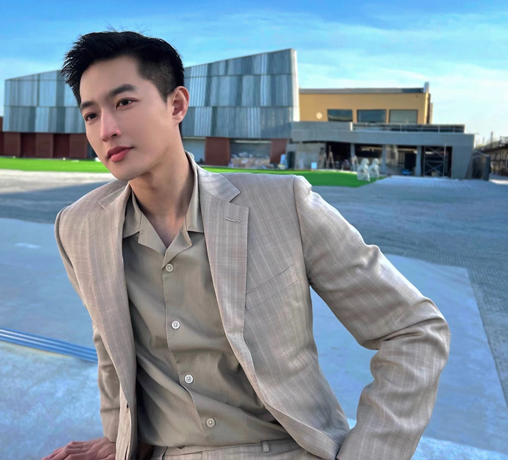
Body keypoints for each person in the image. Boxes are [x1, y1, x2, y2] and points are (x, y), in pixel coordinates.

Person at [44, 31, 450, 460]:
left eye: (124, 102)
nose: (106, 130)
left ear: (176, 105)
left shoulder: (284, 205)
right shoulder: (80, 228)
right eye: (91, 114)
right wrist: (117, 435)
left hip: (287, 449)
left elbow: (413, 327)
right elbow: (109, 345)